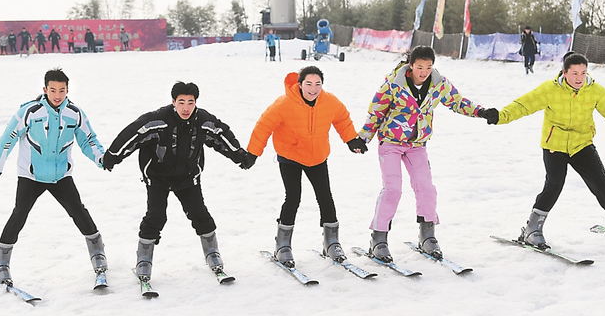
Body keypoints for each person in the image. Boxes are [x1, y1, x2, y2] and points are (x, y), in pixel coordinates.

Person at [478, 52, 605, 249]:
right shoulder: (550, 89)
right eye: (574, 73)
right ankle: (532, 230)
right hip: (554, 146)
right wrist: (500, 116)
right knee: (554, 184)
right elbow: (523, 105)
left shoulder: (594, 90)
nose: (579, 78)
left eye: (583, 72)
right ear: (564, 72)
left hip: (581, 144)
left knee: (601, 183)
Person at [102, 82, 251, 283]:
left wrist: (239, 156)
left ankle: (213, 254)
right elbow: (133, 133)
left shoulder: (203, 120)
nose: (186, 108)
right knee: (156, 216)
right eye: (181, 102)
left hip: (188, 177)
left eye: (191, 102)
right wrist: (113, 155)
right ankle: (144, 259)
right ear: (173, 102)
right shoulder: (159, 119)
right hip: (158, 177)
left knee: (201, 215)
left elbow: (221, 134)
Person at [358, 45, 488, 262]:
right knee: (393, 190)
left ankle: (427, 235)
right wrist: (363, 138)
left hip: (417, 145)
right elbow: (376, 111)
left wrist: (481, 111)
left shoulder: (438, 84)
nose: (424, 72)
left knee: (426, 187)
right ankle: (378, 238)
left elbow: (457, 102)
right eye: (420, 67)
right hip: (390, 143)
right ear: (411, 66)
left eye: (428, 67)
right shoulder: (394, 84)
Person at [0, 69, 109, 286]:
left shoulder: (75, 114)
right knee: (20, 214)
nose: (57, 95)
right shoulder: (29, 111)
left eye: (62, 90)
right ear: (45, 90)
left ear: (67, 90)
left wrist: (102, 159)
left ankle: (98, 253)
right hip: (31, 175)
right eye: (53, 90)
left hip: (61, 175)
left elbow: (89, 140)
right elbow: (8, 137)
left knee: (78, 211)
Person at [245, 66, 367, 267]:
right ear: (300, 84)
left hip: (317, 156)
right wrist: (253, 153)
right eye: (308, 84)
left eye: (318, 84)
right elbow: (263, 125)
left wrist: (351, 139)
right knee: (293, 197)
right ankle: (283, 245)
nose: (313, 88)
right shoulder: (284, 103)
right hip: (290, 155)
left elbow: (342, 118)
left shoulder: (330, 101)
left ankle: (331, 242)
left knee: (325, 196)